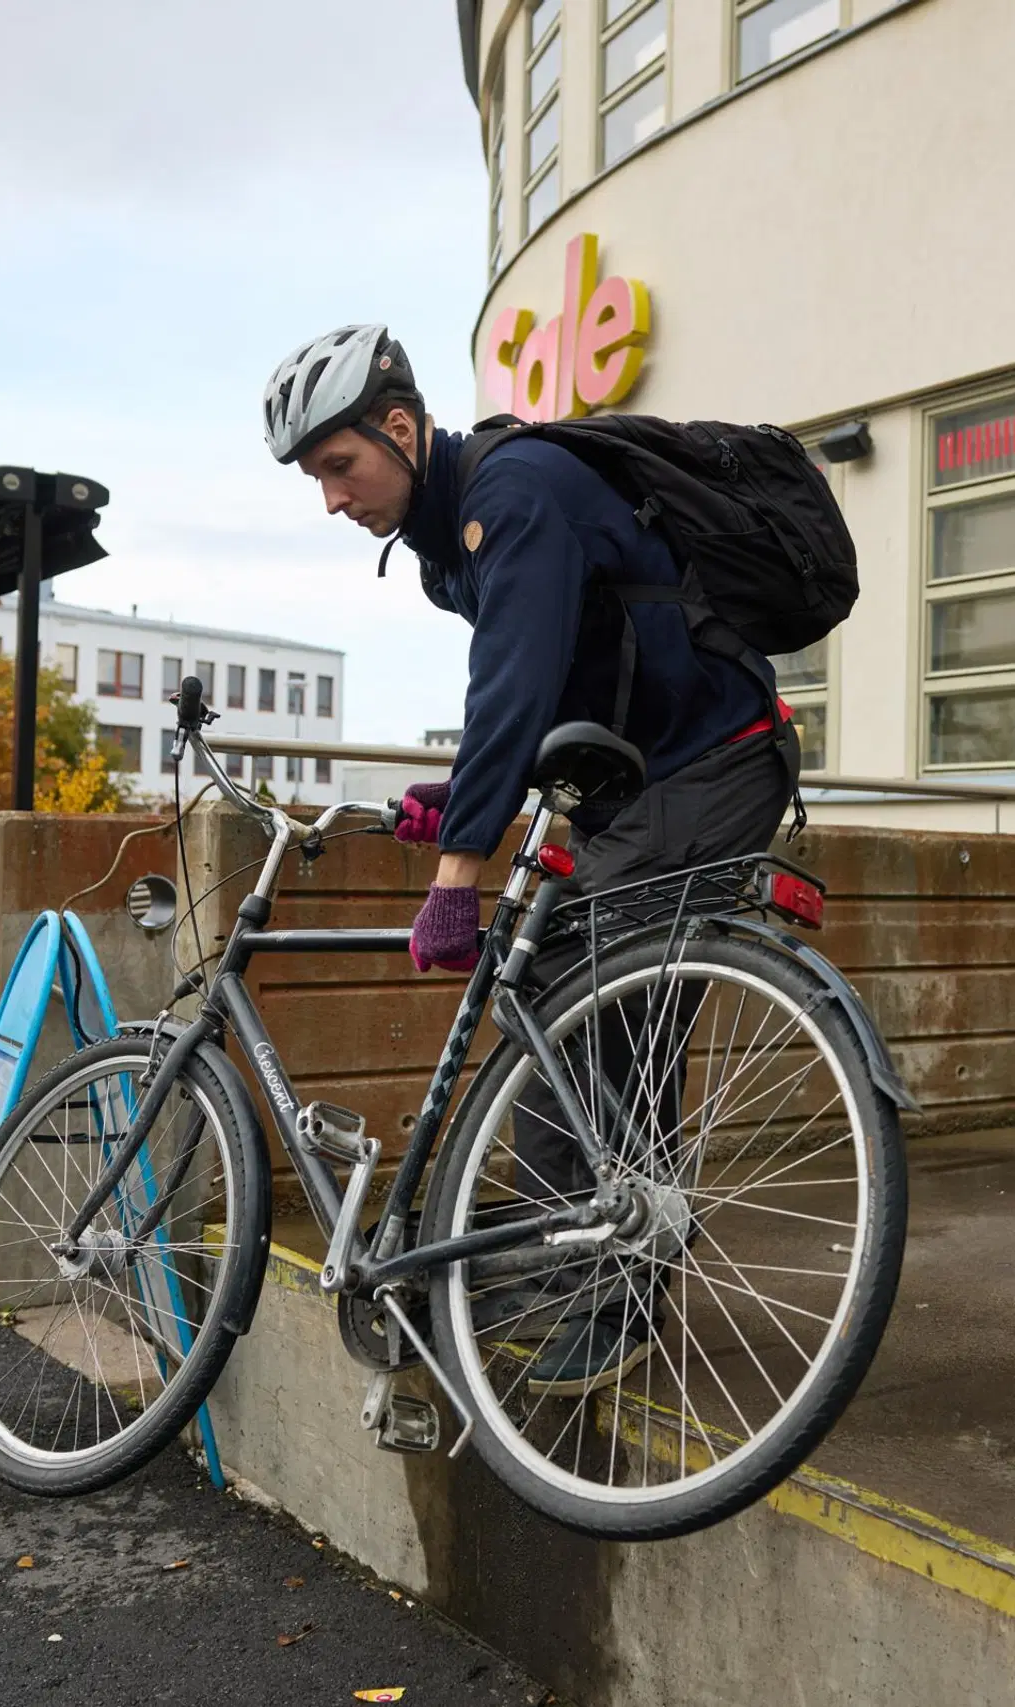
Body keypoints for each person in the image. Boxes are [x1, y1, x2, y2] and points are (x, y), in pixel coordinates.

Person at [263, 322, 797, 1393]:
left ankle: (611, 1287)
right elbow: (542, 677)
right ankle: (576, 1253)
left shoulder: (513, 496)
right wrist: (453, 801)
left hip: (710, 765)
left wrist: (456, 876)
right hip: (646, 779)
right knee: (578, 1006)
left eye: (339, 466)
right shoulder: (453, 542)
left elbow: (509, 685)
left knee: (579, 997)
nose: (331, 499)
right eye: (316, 478)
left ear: (401, 428)